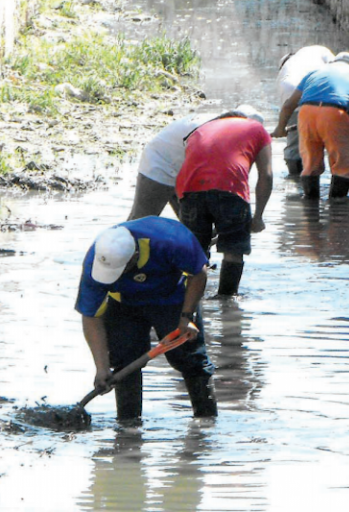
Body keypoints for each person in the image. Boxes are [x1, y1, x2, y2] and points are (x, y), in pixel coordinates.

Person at [75, 218, 217, 420]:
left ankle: (206, 423)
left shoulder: (171, 239)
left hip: (173, 298)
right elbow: (91, 316)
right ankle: (128, 430)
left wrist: (186, 316)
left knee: (189, 358)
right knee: (125, 362)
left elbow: (198, 272)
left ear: (134, 257)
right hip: (124, 303)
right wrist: (101, 367)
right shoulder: (97, 260)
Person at [176, 105, 273, 297]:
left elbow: (188, 170)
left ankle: (188, 302)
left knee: (195, 252)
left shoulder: (200, 130)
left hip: (189, 190)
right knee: (233, 249)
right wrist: (258, 217)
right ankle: (227, 301)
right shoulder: (256, 129)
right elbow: (267, 175)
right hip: (230, 189)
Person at [271, 52, 349, 199]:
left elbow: (289, 105)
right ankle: (337, 206)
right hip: (335, 112)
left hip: (305, 113)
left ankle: (310, 205)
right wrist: (338, 127)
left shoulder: (314, 73)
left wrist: (280, 128)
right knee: (343, 166)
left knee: (310, 165)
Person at [128, 110, 249, 220]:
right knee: (141, 219)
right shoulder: (204, 136)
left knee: (199, 225)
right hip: (160, 160)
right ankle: (114, 242)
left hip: (183, 163)